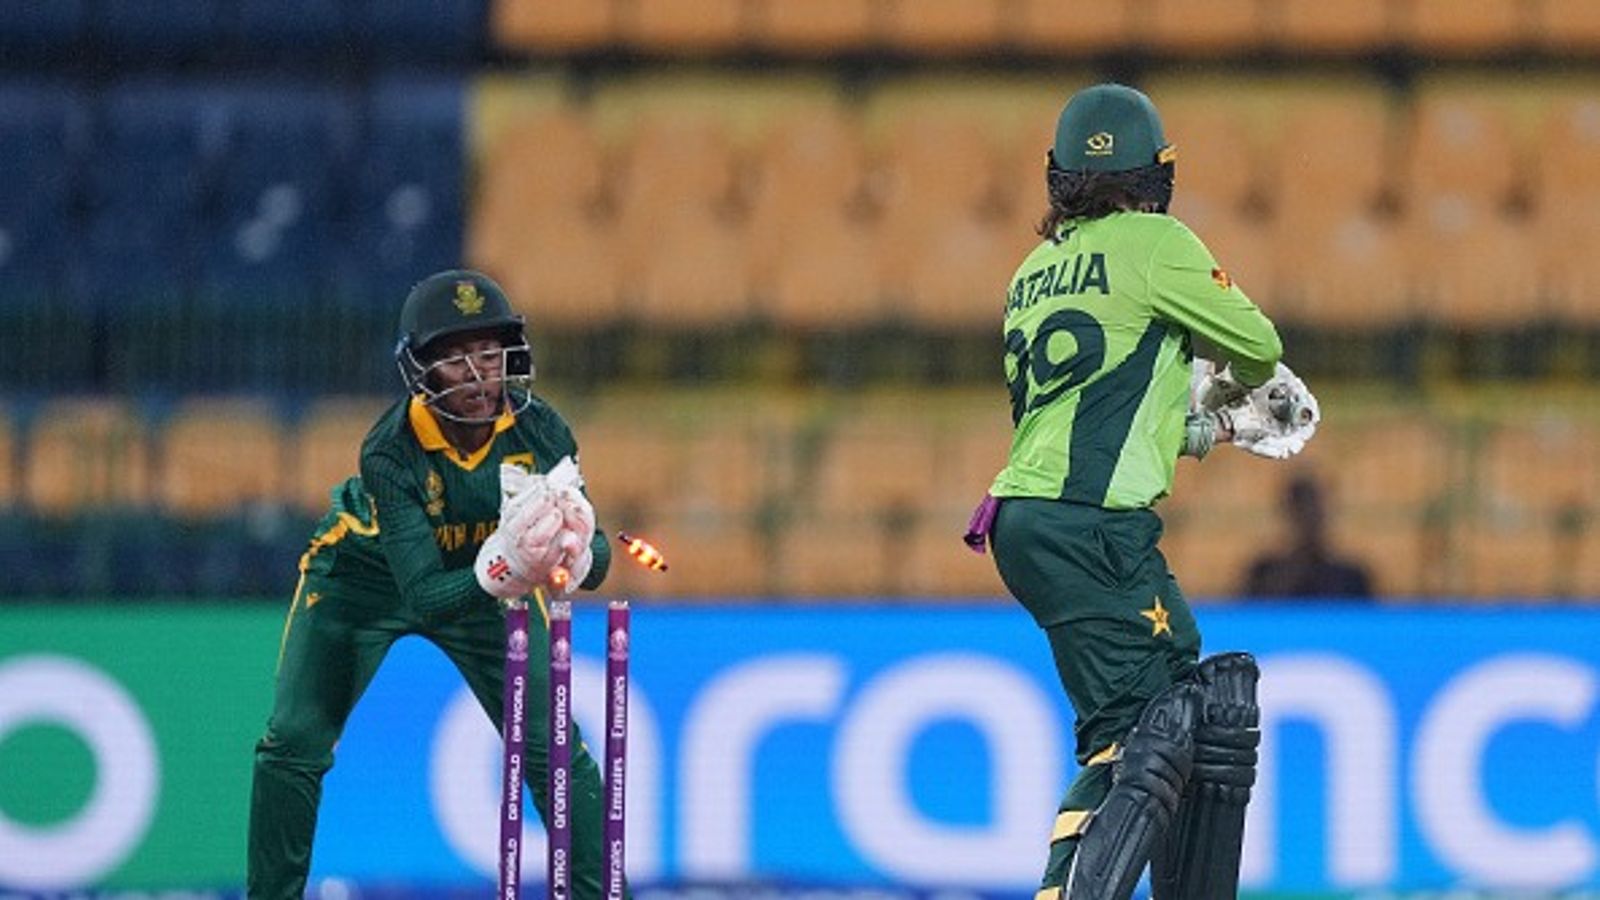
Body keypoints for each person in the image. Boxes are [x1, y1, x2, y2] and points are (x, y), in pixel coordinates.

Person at [965, 84, 1316, 900]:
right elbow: (1258, 343)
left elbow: (1091, 415)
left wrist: (1203, 429)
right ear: (1157, 175)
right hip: (1090, 523)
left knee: (1194, 705)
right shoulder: (1156, 242)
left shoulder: (1033, 271)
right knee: (1151, 729)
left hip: (1030, 518)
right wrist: (1235, 394)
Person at [247, 269, 619, 899]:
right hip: (359, 583)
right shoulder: (390, 449)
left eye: (488, 354)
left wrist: (579, 556)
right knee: (293, 744)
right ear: (421, 371)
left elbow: (598, 552)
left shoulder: (541, 430)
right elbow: (423, 595)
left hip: (483, 583)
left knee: (555, 750)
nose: (477, 377)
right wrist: (502, 567)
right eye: (454, 359)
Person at [1243, 474, 1374, 598]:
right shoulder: (1264, 574)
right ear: (1288, 514)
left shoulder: (1351, 578)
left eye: (1314, 511)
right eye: (1301, 511)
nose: (1308, 519)